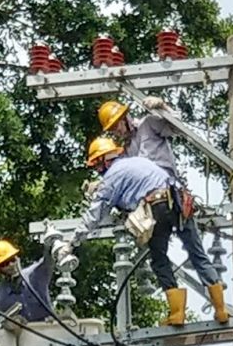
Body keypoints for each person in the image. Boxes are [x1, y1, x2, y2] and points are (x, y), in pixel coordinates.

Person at [62, 136, 222, 327]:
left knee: (159, 260)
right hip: (179, 200)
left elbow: (96, 213)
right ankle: (221, 310)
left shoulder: (112, 176)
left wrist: (73, 242)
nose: (97, 170)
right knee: (198, 255)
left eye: (97, 165)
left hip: (157, 206)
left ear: (104, 160)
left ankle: (177, 314)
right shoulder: (137, 161)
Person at [97, 98, 229, 324]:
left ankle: (220, 309)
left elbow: (177, 126)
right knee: (159, 258)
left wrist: (163, 107)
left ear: (126, 117)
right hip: (151, 207)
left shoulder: (149, 124)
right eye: (113, 128)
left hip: (172, 196)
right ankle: (178, 313)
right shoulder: (126, 152)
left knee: (195, 252)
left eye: (118, 123)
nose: (117, 130)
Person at [0, 239, 58, 321]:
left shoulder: (36, 274)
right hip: (22, 329)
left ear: (17, 258)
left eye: (12, 259)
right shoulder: (0, 295)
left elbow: (49, 259)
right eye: (5, 264)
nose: (11, 265)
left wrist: (51, 242)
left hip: (48, 327)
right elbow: (4, 322)